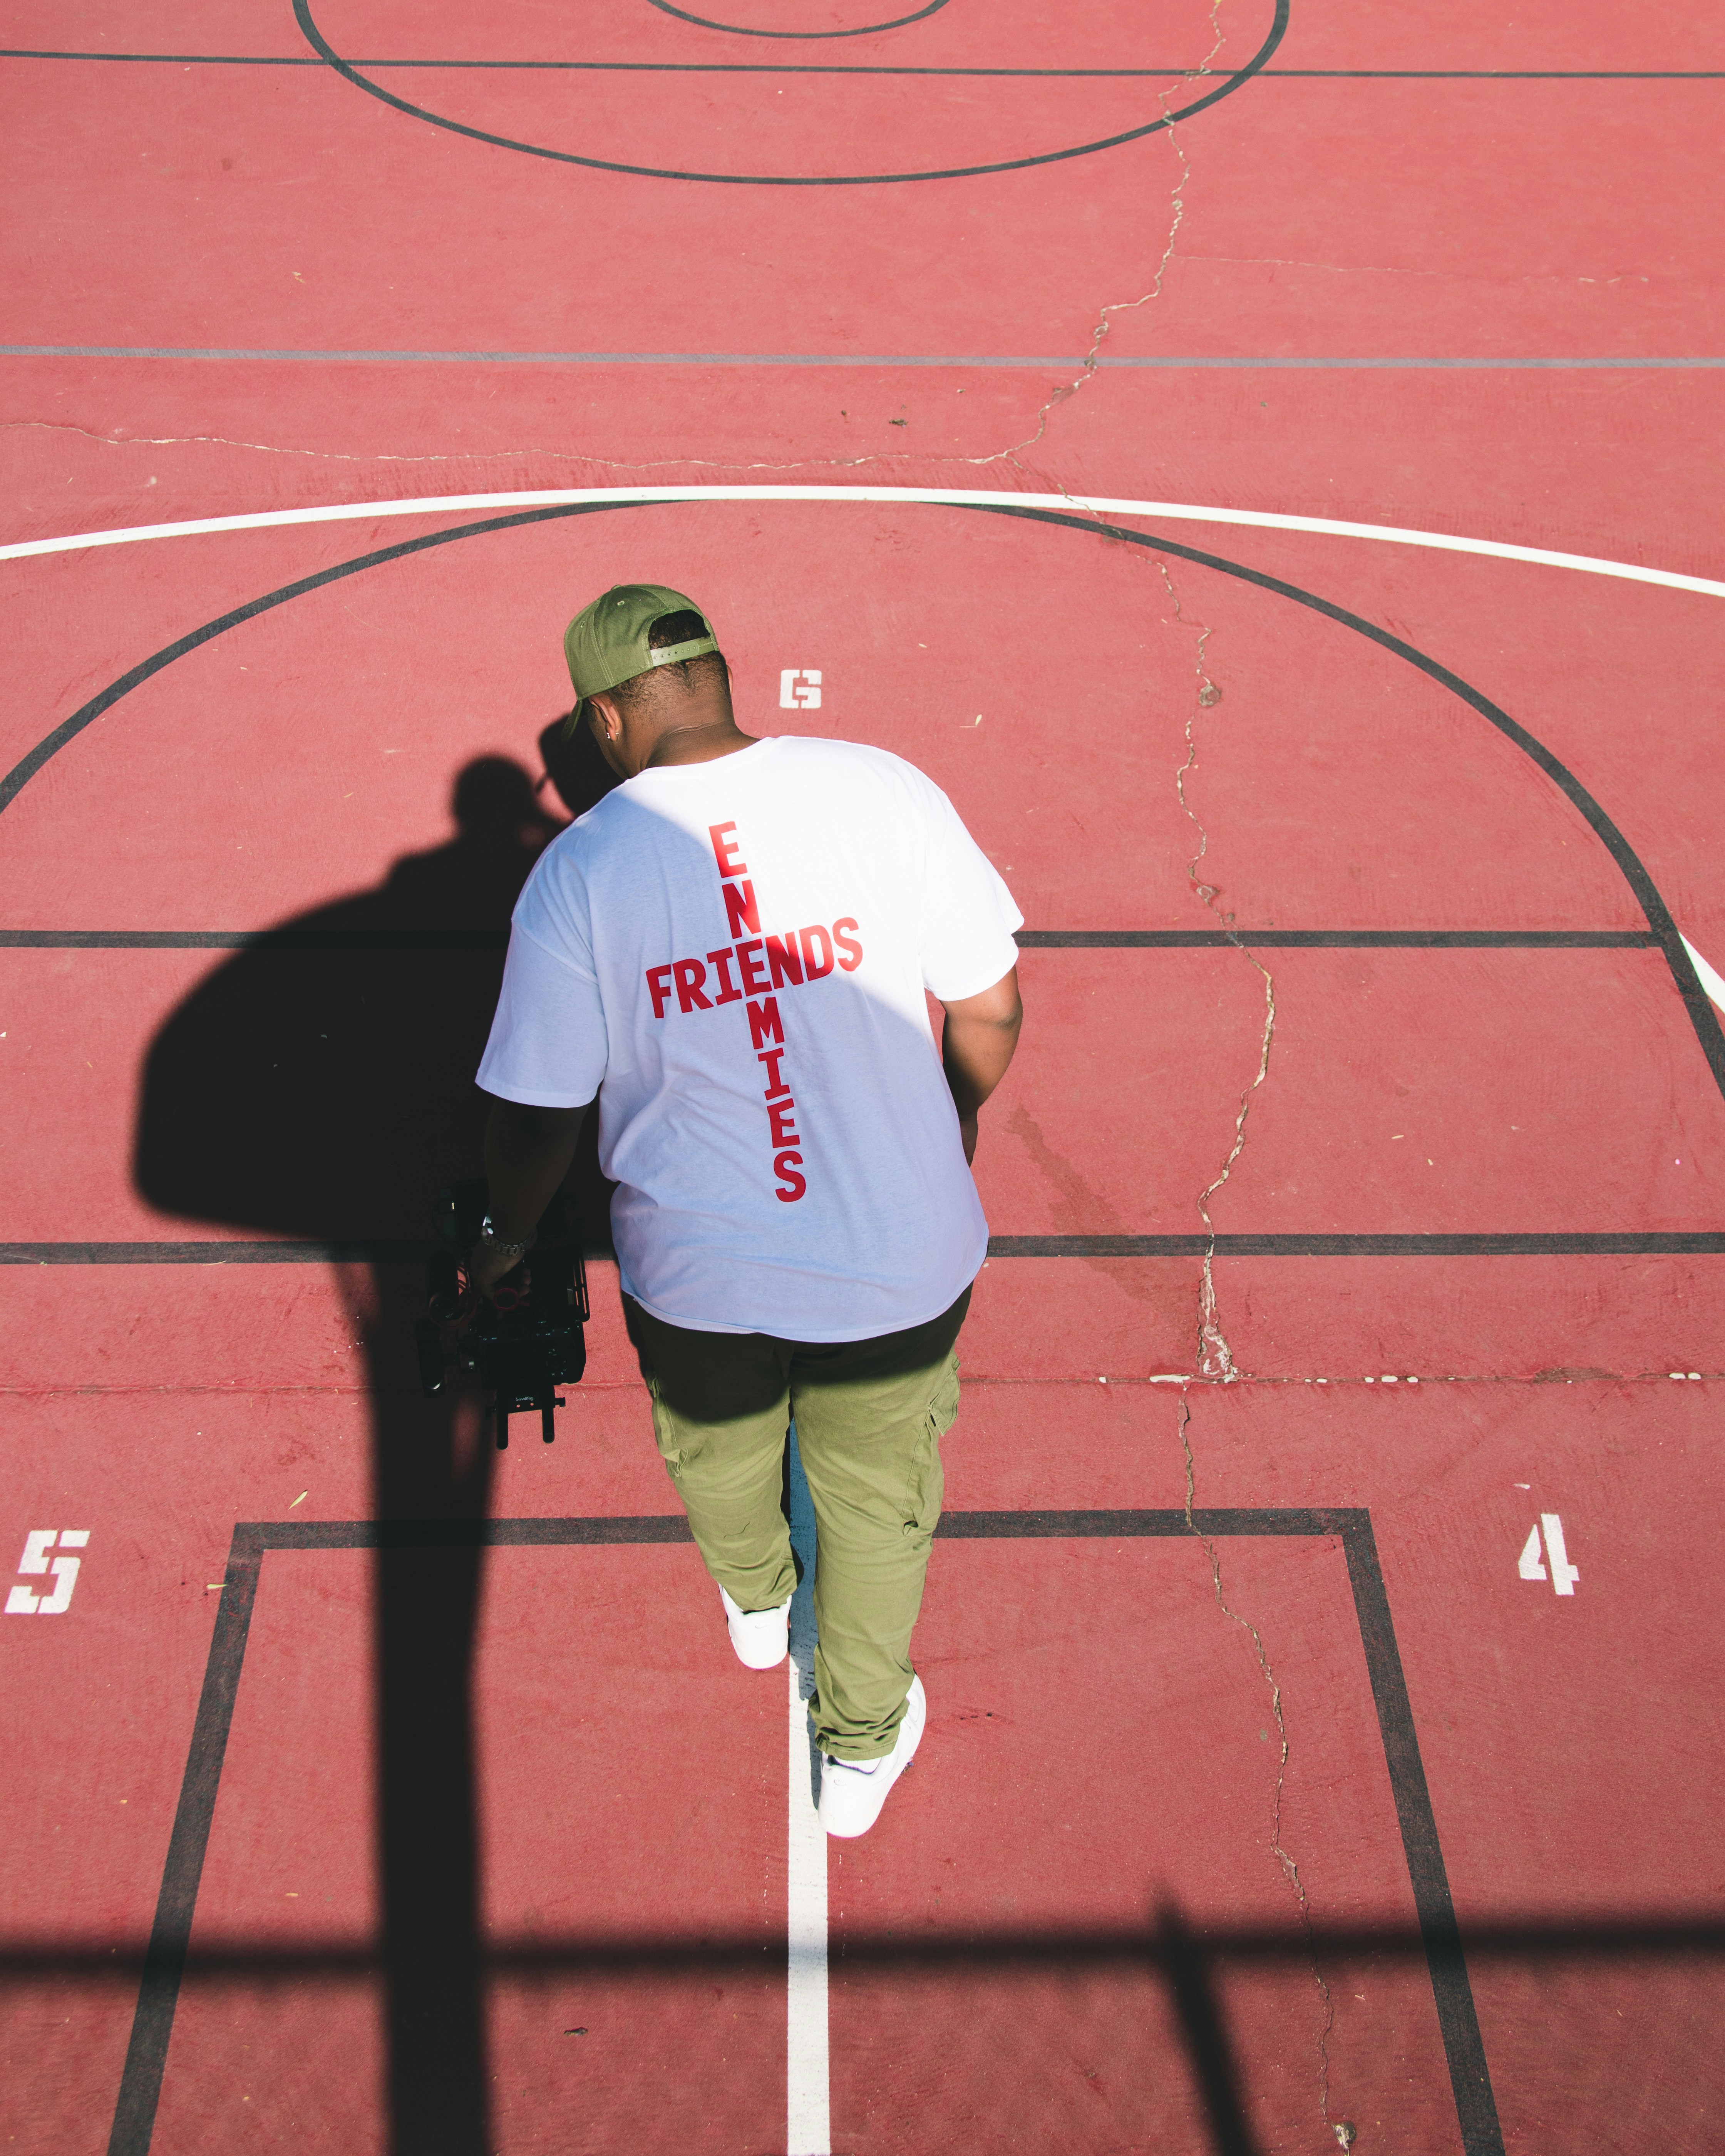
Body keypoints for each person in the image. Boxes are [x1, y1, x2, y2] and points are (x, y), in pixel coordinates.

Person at [471, 584, 1023, 1838]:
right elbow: (988, 1007)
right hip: (898, 1256)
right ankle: (862, 1749)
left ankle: (758, 1602)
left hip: (700, 1267)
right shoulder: (883, 787)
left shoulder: (581, 873)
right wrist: (952, 1127)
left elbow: (535, 1115)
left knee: (720, 1450)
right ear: (720, 675)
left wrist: (506, 1244)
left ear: (607, 715)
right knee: (878, 1506)